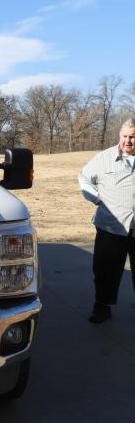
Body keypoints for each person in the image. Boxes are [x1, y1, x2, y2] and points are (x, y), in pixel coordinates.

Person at [78, 118, 135, 323]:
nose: (128, 141)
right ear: (120, 136)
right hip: (111, 225)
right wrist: (96, 198)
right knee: (105, 271)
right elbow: (84, 178)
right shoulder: (104, 158)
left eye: (133, 137)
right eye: (125, 136)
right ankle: (102, 307)